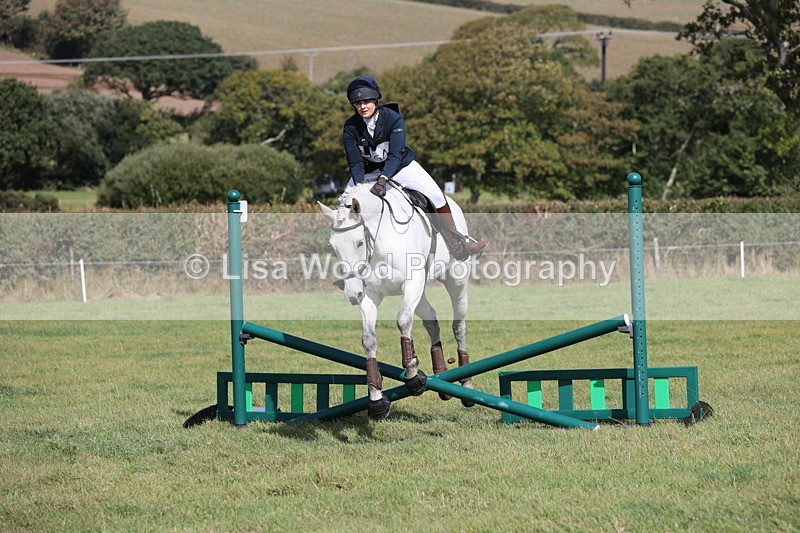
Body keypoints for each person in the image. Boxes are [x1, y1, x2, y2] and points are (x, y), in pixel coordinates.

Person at [342, 76, 487, 261]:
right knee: (344, 204)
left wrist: (384, 179)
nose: (363, 106)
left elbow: (395, 155)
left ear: (376, 100)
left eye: (367, 101)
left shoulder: (393, 118)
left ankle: (458, 243)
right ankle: (346, 261)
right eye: (358, 103)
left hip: (401, 167)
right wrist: (360, 188)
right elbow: (355, 162)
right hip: (369, 171)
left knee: (436, 195)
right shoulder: (350, 126)